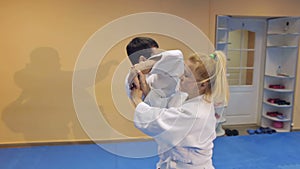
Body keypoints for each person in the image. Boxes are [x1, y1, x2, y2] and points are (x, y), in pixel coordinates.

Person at [130, 51, 229, 169]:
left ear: (203, 85)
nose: (181, 77)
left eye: (187, 75)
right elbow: (165, 108)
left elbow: (160, 121)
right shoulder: (185, 97)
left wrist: (137, 100)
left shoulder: (197, 113)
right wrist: (146, 90)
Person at [125, 37, 186, 108]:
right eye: (156, 55)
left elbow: (176, 56)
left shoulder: (167, 69)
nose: (160, 56)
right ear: (142, 59)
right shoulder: (132, 81)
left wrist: (145, 66)